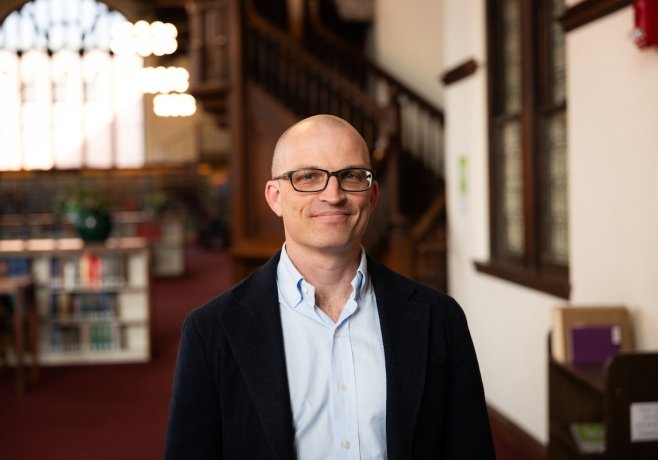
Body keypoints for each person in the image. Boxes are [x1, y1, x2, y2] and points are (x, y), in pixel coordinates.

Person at [164, 114, 495, 459]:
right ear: (275, 197)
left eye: (351, 176)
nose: (333, 195)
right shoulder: (211, 330)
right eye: (308, 177)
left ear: (372, 195)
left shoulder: (439, 318)